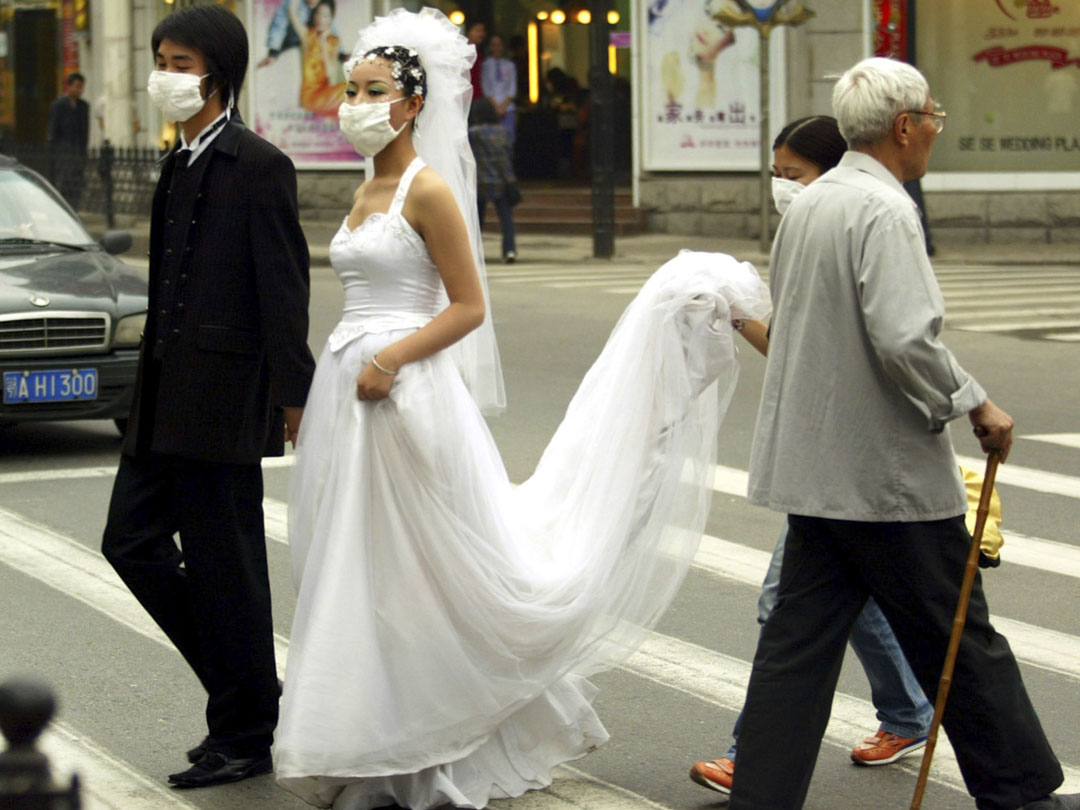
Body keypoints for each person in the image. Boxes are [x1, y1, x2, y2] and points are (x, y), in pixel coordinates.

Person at [273, 9, 771, 810]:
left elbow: (468, 306)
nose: (356, 101)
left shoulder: (427, 189)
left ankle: (436, 742)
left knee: (420, 569)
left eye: (374, 90)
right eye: (351, 88)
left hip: (404, 392)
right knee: (360, 570)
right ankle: (374, 736)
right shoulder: (364, 187)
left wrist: (393, 359)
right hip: (350, 391)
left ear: (411, 104)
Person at [723, 56, 1079, 810]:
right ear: (905, 125)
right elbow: (904, 338)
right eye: (934, 119)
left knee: (798, 649)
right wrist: (975, 403)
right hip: (882, 478)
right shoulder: (884, 210)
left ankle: (762, 794)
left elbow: (803, 332)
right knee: (960, 637)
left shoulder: (813, 204)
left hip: (819, 473)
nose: (935, 133)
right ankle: (1019, 792)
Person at [690, 114, 938, 796]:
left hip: (859, 457)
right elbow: (799, 352)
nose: (780, 190)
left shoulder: (864, 231)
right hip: (827, 459)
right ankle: (910, 712)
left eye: (791, 177)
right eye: (774, 177)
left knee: (789, 607)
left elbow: (903, 343)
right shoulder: (811, 232)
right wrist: (740, 317)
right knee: (853, 601)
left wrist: (964, 401)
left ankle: (754, 757)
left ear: (834, 172)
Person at [101, 3, 315, 790]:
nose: (166, 74)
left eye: (181, 63)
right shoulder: (176, 160)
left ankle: (246, 727)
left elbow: (283, 291)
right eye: (161, 58)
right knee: (129, 543)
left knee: (229, 568)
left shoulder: (259, 165)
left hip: (224, 400)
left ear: (218, 75)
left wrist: (296, 396)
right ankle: (250, 698)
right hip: (163, 400)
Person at [469, 97, 518, 263]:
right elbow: (508, 155)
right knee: (506, 219)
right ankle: (509, 250)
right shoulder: (503, 132)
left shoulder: (472, 133)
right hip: (501, 180)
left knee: (477, 220)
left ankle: (475, 251)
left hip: (479, 181)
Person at [289, 0, 346, 116]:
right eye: (318, 14)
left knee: (351, 89)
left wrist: (323, 42)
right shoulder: (307, 36)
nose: (320, 19)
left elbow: (330, 73)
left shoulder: (334, 41)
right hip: (310, 96)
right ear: (314, 15)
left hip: (325, 92)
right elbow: (292, 11)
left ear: (331, 19)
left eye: (325, 16)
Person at [46, 72, 89, 207]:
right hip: (63, 151)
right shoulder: (58, 105)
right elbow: (53, 129)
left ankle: (74, 207)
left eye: (81, 87)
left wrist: (83, 152)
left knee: (77, 184)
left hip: (78, 151)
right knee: (65, 183)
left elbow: (85, 130)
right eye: (77, 86)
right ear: (69, 87)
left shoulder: (83, 106)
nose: (79, 90)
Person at [480, 34, 516, 142]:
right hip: (491, 108)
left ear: (503, 47)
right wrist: (496, 107)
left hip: (507, 108)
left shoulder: (510, 65)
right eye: (493, 45)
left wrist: (503, 107)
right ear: (490, 47)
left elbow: (512, 88)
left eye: (499, 45)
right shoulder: (485, 65)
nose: (496, 48)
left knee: (508, 139)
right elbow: (486, 88)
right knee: (492, 141)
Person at [466, 19, 486, 103]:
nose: (481, 34)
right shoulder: (463, 52)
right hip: (466, 98)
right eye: (477, 31)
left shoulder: (481, 53)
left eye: (482, 31)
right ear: (469, 32)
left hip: (479, 98)